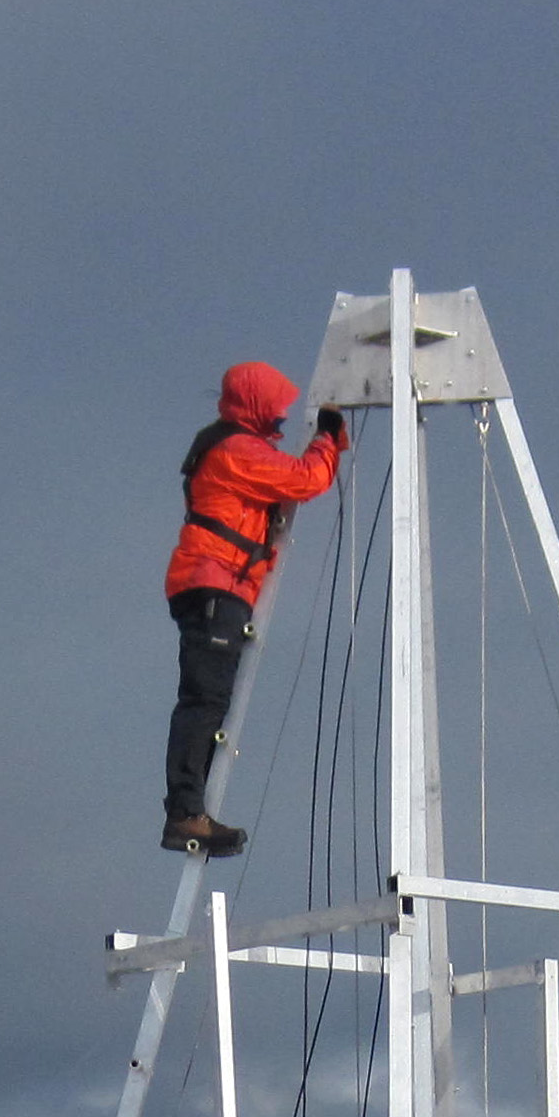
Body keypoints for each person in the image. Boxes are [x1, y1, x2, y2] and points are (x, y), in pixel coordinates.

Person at [161, 362, 349, 856]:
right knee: (204, 701)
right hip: (215, 583)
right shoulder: (236, 450)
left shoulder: (234, 445)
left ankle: (189, 811)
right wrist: (329, 437)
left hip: (215, 584)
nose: (283, 417)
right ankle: (186, 815)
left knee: (208, 700)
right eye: (276, 407)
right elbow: (306, 479)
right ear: (255, 405)